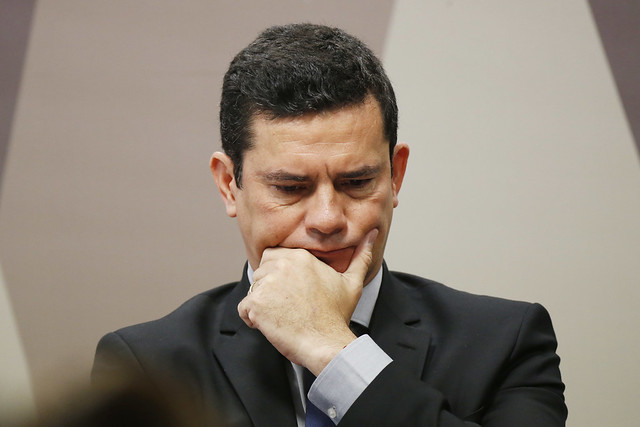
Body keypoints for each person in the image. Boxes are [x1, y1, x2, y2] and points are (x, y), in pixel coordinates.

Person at [92, 23, 567, 426]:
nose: (327, 220)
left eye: (357, 181)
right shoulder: (146, 364)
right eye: (290, 188)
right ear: (228, 185)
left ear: (396, 176)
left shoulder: (506, 342)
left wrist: (335, 353)